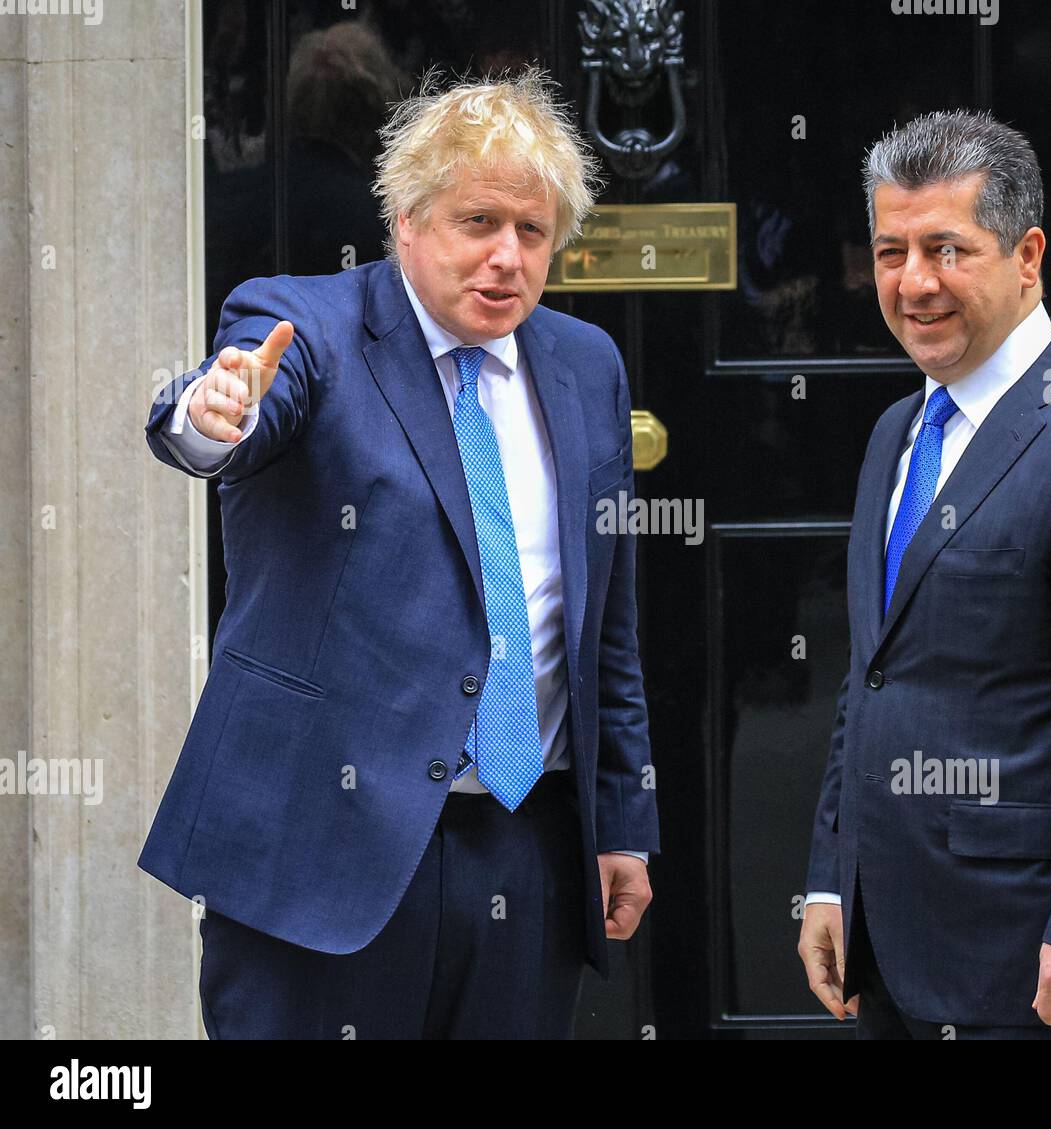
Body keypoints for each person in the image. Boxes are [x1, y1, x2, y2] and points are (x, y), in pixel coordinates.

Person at [139, 68, 658, 1040]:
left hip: (525, 847)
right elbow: (233, 414)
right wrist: (213, 414)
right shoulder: (311, 327)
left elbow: (603, 628)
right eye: (478, 224)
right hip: (322, 850)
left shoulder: (586, 366)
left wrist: (624, 821)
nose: (507, 257)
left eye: (532, 232)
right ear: (406, 218)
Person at [797, 110, 1051, 1040]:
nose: (914, 281)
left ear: (1027, 255)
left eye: (947, 248)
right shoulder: (895, 433)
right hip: (887, 942)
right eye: (891, 251)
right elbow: (873, 678)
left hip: (1033, 963)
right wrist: (828, 875)